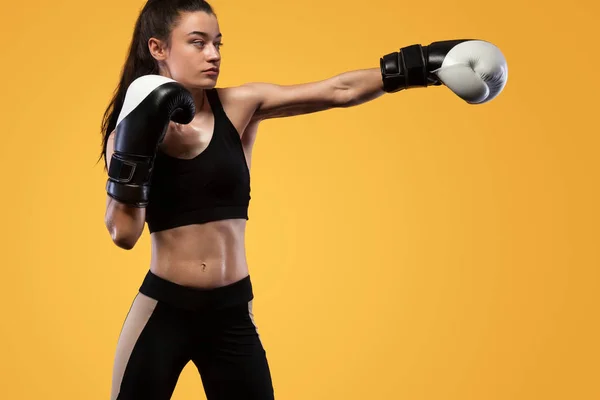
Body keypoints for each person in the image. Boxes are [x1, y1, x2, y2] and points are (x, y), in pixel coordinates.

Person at [100, 1, 508, 399]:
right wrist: (136, 145)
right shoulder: (131, 130)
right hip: (164, 310)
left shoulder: (239, 105)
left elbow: (339, 90)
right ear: (158, 49)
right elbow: (124, 233)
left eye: (218, 43)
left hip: (231, 311)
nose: (213, 54)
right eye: (198, 42)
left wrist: (427, 64)